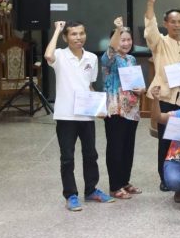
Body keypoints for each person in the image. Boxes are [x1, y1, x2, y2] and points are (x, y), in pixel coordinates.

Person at [46, 20, 113, 211]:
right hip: (66, 116)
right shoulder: (60, 55)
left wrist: (99, 107)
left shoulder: (91, 58)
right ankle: (71, 195)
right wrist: (57, 30)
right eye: (73, 34)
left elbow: (89, 85)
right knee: (67, 157)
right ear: (66, 37)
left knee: (91, 154)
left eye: (81, 33)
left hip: (86, 115)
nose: (78, 37)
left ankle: (91, 190)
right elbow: (48, 55)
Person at [143, 0, 180, 191]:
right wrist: (150, 3)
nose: (177, 25)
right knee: (165, 140)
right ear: (166, 24)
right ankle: (164, 178)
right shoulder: (159, 43)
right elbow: (150, 28)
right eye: (173, 22)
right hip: (165, 98)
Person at [101, 17, 145, 199]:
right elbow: (111, 49)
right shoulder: (109, 59)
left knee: (128, 147)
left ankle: (125, 181)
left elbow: (137, 82)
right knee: (116, 148)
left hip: (132, 110)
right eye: (122, 40)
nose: (126, 43)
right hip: (116, 109)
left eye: (128, 39)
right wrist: (118, 28)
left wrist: (141, 89)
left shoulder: (132, 59)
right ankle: (115, 186)